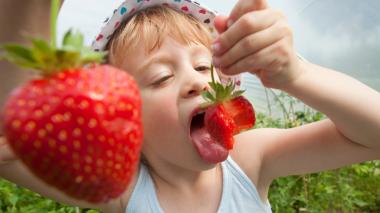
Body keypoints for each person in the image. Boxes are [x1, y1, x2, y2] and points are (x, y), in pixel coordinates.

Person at [1, 0, 380, 212]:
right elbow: (9, 140)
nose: (198, 81)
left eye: (203, 65)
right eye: (162, 78)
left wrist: (296, 73)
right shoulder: (124, 190)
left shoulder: (249, 160)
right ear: (127, 120)